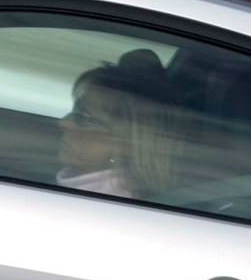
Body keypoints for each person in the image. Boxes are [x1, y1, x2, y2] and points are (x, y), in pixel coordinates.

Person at [58, 51, 180, 199]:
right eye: (75, 112)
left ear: (128, 145)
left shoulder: (108, 201)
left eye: (85, 119)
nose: (64, 122)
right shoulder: (88, 187)